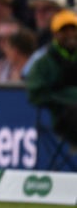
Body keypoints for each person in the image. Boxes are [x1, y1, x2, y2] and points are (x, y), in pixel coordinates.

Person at [25, 9, 77, 148]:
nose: (70, 34)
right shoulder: (44, 62)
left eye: (74, 29)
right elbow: (35, 94)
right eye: (64, 30)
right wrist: (65, 99)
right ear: (55, 34)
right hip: (62, 118)